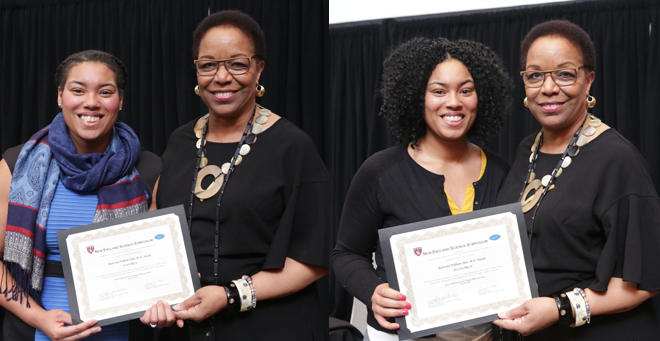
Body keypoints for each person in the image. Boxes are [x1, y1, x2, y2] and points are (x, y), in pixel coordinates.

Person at [141, 10, 329, 340]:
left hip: (271, 327)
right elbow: (156, 222)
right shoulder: (180, 141)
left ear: (259, 68)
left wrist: (229, 295)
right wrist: (160, 289)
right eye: (208, 64)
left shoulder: (292, 147)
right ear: (196, 70)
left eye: (238, 64)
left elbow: (312, 260)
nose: (222, 77)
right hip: (186, 328)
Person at [333, 37, 513, 341]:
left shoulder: (502, 172)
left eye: (465, 90)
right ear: (417, 97)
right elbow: (347, 253)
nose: (454, 102)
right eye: (438, 91)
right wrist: (374, 291)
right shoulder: (380, 172)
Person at [494, 20, 660, 340]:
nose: (548, 88)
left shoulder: (616, 159)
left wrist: (559, 307)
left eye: (565, 73)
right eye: (535, 75)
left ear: (589, 80)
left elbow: (647, 281)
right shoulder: (526, 149)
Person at [0, 50, 161, 340]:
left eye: (105, 92)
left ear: (120, 101)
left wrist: (170, 295)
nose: (91, 102)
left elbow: (157, 267)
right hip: (34, 331)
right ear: (60, 96)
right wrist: (39, 319)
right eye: (78, 90)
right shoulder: (15, 165)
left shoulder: (149, 169)